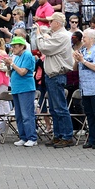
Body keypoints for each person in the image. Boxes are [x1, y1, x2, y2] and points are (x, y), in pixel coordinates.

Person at [34, 12, 74, 148]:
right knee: (54, 108)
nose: (49, 24)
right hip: (52, 75)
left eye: (51, 21)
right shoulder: (58, 35)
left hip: (56, 75)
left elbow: (44, 48)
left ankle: (67, 136)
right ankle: (58, 135)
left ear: (57, 23)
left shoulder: (62, 36)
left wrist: (39, 34)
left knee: (60, 107)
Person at [7, 36, 38, 147]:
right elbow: (12, 73)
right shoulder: (17, 57)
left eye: (14, 46)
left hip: (26, 88)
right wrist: (8, 65)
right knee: (19, 115)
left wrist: (11, 64)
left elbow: (22, 72)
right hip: (17, 88)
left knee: (27, 114)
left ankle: (32, 137)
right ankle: (23, 136)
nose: (12, 49)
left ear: (21, 46)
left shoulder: (27, 55)